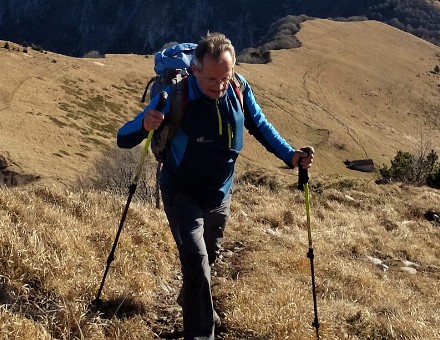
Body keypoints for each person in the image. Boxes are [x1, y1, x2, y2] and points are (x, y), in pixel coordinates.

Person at [117, 32, 315, 340]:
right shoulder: (175, 95)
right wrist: (145, 124)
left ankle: (192, 299)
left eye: (226, 77)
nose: (220, 86)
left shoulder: (238, 88)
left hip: (220, 193)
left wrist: (291, 156)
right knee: (196, 265)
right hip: (181, 192)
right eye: (212, 79)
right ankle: (200, 333)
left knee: (208, 257)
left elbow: (261, 125)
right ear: (195, 69)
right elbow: (123, 136)